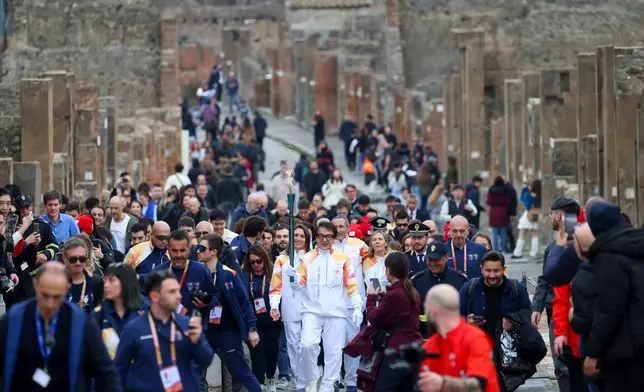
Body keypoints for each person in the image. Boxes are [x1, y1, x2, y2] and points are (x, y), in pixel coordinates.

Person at [0, 261, 122, 392]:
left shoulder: (82, 323)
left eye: (57, 297)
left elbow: (104, 372)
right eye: (45, 295)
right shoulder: (14, 320)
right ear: (35, 286)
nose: (50, 304)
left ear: (66, 289)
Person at [284, 220, 362, 392]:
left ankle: (327, 387)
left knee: (334, 353)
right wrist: (293, 278)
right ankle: (312, 378)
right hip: (312, 311)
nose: (324, 240)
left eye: (328, 236)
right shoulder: (307, 258)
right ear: (316, 237)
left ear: (333, 238)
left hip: (336, 314)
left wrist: (357, 306)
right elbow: (300, 285)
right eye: (321, 236)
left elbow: (351, 285)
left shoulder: (343, 259)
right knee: (307, 345)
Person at [114, 270, 214, 392]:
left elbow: (206, 361)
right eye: (172, 292)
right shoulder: (133, 329)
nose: (179, 296)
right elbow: (118, 371)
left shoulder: (187, 324)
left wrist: (198, 342)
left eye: (178, 290)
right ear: (154, 296)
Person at [197, 234, 262, 392]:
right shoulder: (197, 273)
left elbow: (245, 302)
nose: (197, 251)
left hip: (227, 332)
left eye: (201, 248)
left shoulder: (229, 274)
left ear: (213, 251)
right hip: (204, 331)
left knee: (241, 371)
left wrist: (252, 328)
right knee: (196, 371)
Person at [418, 284, 501, 392]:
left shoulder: (475, 338)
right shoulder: (431, 346)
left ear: (432, 311)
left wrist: (443, 383)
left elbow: (479, 384)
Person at [365, 252, 422, 391]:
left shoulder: (394, 295)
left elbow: (373, 318)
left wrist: (371, 298)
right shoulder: (412, 292)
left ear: (388, 270)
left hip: (396, 351)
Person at [269, 224, 311, 391]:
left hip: (310, 308)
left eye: (302, 236)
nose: (299, 238)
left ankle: (310, 378)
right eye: (296, 236)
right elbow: (275, 286)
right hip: (290, 308)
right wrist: (274, 306)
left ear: (307, 239)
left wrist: (299, 279)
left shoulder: (313, 258)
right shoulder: (282, 260)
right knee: (293, 346)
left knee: (309, 345)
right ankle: (301, 383)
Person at [242, 245, 281, 391]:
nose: (256, 265)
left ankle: (270, 377)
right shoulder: (245, 274)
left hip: (272, 319)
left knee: (272, 350)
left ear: (264, 259)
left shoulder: (273, 273)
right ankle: (259, 381)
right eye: (252, 262)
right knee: (257, 351)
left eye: (259, 261)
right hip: (254, 319)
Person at [412, 241, 467, 338]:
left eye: (436, 260)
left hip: (454, 337)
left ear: (446, 258)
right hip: (426, 338)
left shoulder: (460, 280)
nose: (433, 263)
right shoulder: (417, 281)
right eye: (430, 259)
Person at [95, 263, 149, 359]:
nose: (106, 285)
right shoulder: (98, 314)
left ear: (126, 282)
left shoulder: (147, 310)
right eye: (105, 280)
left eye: (111, 280)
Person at [511, 179, 542, 259]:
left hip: (527, 215)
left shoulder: (528, 194)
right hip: (535, 215)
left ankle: (517, 253)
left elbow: (522, 198)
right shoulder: (540, 196)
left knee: (522, 233)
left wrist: (525, 187)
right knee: (534, 234)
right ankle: (534, 252)